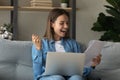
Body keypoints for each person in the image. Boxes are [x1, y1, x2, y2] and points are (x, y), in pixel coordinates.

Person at [32, 8, 101, 80]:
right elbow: (37, 73)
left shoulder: (73, 44)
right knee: (58, 78)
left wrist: (92, 65)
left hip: (70, 77)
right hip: (49, 77)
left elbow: (81, 70)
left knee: (77, 78)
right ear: (52, 24)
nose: (66, 26)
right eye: (62, 23)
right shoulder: (41, 44)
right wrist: (38, 49)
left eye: (67, 23)